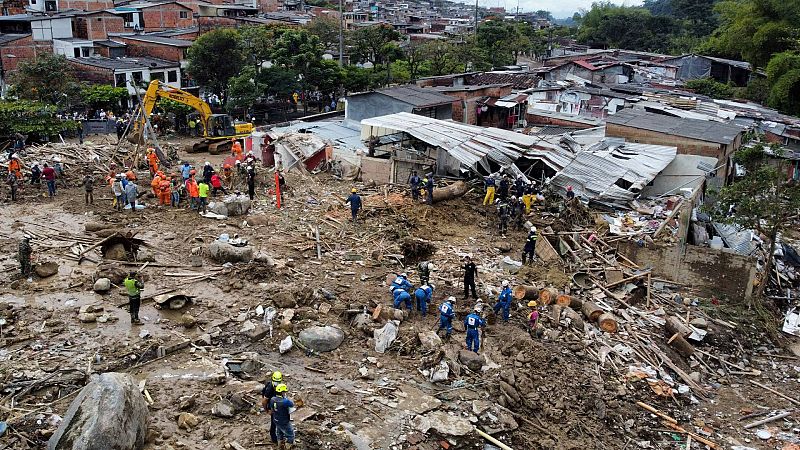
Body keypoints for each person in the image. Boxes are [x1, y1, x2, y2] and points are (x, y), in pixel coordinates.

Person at [268, 384, 296, 450]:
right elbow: (292, 404)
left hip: (276, 419)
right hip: (284, 421)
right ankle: (288, 446)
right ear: (282, 392)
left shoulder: (272, 399)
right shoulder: (285, 401)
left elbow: (272, 410)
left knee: (279, 432)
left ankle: (279, 445)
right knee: (290, 435)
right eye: (284, 392)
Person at [261, 371, 284, 445]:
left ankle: (280, 435)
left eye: (278, 381)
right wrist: (267, 410)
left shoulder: (279, 385)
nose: (277, 383)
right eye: (276, 381)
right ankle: (274, 438)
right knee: (274, 422)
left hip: (276, 403)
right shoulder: (270, 388)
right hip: (272, 406)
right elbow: (264, 401)